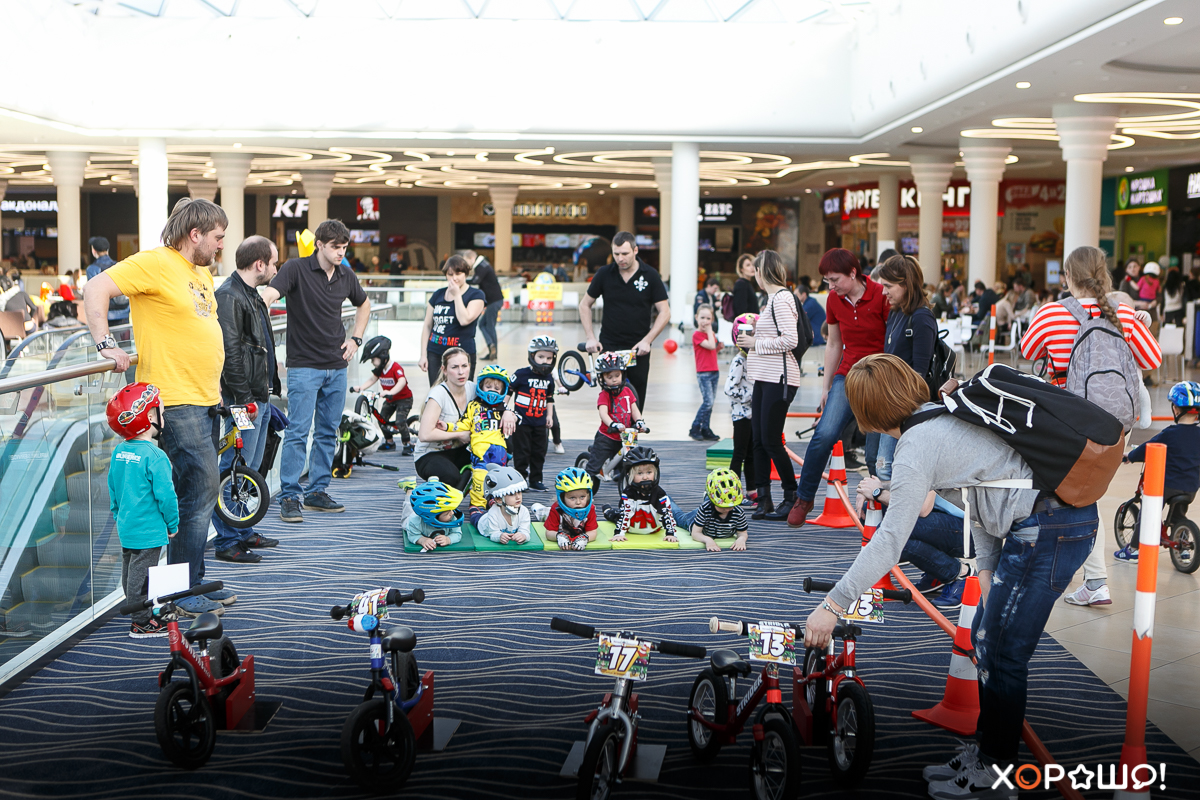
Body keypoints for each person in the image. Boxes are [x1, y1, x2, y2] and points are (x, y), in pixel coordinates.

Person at [801, 354, 1098, 800]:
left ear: (868, 412)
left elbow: (889, 540)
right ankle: (988, 754)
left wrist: (832, 605)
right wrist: (988, 568)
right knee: (986, 640)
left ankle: (997, 776)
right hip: (1047, 524)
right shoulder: (946, 413)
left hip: (1049, 529)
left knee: (1003, 653)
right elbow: (987, 491)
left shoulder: (917, 444)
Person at [83, 197, 231, 617]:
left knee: (198, 495)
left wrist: (215, 386)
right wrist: (106, 343)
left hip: (204, 398)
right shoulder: (155, 262)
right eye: (218, 237)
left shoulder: (200, 272)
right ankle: (180, 591)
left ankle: (191, 581)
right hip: (175, 400)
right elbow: (95, 288)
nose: (222, 245)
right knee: (197, 494)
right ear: (195, 234)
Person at [1021, 245, 1161, 608]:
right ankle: (1094, 580)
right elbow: (1152, 359)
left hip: (1067, 421)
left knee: (1074, 495)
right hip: (1115, 424)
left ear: (1067, 277)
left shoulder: (1051, 313)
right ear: (1104, 274)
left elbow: (1028, 351)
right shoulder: (1122, 313)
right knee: (1086, 494)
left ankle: (1090, 579)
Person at [259, 219, 370, 524]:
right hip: (304, 366)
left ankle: (317, 491)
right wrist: (263, 306)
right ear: (319, 244)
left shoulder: (346, 274)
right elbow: (270, 294)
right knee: (297, 431)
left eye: (344, 247)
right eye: (335, 247)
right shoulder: (296, 268)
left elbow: (364, 304)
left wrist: (356, 339)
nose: (341, 252)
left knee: (327, 432)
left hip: (337, 366)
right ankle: (290, 496)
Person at [785, 247, 888, 527]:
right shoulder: (834, 299)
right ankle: (804, 498)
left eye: (834, 280)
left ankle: (877, 508)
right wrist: (826, 386)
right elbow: (833, 343)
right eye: (827, 281)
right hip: (848, 374)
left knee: (875, 452)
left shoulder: (881, 295)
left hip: (879, 377)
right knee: (824, 434)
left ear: (853, 273)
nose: (830, 286)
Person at [210, 236, 282, 564]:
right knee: (234, 468)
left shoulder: (250, 293)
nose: (276, 269)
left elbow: (258, 347)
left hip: (257, 397)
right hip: (245, 400)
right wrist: (243, 399)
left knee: (248, 467)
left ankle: (242, 529)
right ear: (259, 264)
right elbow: (230, 353)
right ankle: (228, 539)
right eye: (273, 263)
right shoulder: (229, 295)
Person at [105, 383, 179, 637]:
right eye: (160, 412)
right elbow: (167, 497)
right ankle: (141, 622)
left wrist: (117, 514)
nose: (163, 416)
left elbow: (113, 487)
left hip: (126, 525)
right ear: (149, 417)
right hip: (149, 530)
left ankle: (140, 611)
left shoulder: (119, 452)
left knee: (130, 571)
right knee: (143, 575)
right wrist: (172, 524)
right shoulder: (155, 456)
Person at [736, 250, 801, 522]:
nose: (755, 275)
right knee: (759, 440)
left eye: (756, 270)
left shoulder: (782, 299)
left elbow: (790, 340)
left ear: (762, 272)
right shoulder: (771, 299)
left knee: (771, 441)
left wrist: (756, 343)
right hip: (764, 377)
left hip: (779, 378)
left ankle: (792, 496)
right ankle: (764, 499)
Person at [579, 231, 670, 410]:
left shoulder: (650, 275)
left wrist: (647, 341)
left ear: (635, 250)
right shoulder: (605, 274)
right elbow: (584, 305)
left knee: (636, 398)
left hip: (638, 349)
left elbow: (665, 312)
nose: (620, 258)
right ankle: (611, 428)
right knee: (610, 398)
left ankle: (633, 428)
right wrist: (590, 337)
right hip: (610, 344)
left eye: (625, 254)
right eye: (616, 254)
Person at [1119, 381, 1200, 558]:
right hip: (1191, 487)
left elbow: (1147, 448)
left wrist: (1130, 456)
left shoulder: (1169, 434)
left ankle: (1133, 550)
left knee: (1148, 513)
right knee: (1179, 516)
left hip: (1167, 486)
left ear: (1176, 410)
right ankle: (1184, 549)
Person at [874, 254, 936, 479]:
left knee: (887, 468)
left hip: (904, 406)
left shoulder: (921, 318)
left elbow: (920, 373)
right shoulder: (896, 313)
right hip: (889, 401)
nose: (884, 292)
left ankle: (892, 502)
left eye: (888, 286)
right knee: (880, 464)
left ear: (906, 284)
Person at [449, 365, 512, 510]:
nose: (492, 390)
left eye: (497, 388)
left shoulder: (504, 408)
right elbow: (463, 424)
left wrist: (510, 413)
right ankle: (477, 505)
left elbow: (516, 421)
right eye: (488, 386)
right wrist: (447, 427)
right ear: (481, 386)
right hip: (480, 448)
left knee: (499, 478)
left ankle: (495, 503)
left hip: (500, 450)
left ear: (503, 390)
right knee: (479, 476)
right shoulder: (473, 405)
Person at [584, 352, 647, 492]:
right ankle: (584, 487)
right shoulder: (604, 395)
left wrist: (639, 421)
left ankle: (625, 480)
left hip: (624, 436)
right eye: (609, 377)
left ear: (622, 374)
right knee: (594, 465)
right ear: (602, 378)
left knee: (630, 458)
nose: (614, 380)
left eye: (617, 376)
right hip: (607, 435)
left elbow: (634, 409)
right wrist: (612, 424)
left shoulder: (628, 391)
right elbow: (603, 413)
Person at [418, 255, 486, 384]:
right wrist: (423, 355)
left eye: (458, 273)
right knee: (436, 390)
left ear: (466, 274)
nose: (454, 278)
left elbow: (464, 320)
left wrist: (457, 295)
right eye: (450, 274)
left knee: (461, 391)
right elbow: (427, 325)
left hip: (461, 354)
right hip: (436, 352)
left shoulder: (476, 295)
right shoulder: (438, 294)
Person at [510, 335, 558, 491]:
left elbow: (549, 398)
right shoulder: (521, 374)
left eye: (549, 358)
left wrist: (549, 416)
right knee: (522, 452)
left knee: (539, 452)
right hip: (522, 421)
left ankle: (536, 479)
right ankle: (520, 478)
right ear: (532, 356)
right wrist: (504, 411)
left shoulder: (549, 378)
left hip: (540, 422)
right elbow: (508, 391)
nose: (545, 361)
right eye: (541, 357)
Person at [353, 335, 414, 454]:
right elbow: (372, 379)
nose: (372, 362)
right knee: (381, 420)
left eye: (373, 359)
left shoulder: (395, 367)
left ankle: (407, 443)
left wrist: (390, 392)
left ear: (382, 356)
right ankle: (389, 442)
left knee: (400, 421)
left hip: (404, 399)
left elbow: (402, 381)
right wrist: (361, 387)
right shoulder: (380, 369)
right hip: (390, 400)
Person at [605, 446, 678, 543]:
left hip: (654, 529)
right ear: (630, 475)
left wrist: (671, 534)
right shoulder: (628, 493)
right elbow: (625, 514)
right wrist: (619, 533)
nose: (645, 477)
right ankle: (608, 511)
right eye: (639, 473)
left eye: (649, 472)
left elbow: (667, 514)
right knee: (617, 516)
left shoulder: (659, 493)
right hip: (631, 528)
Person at [724, 312, 757, 500]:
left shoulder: (753, 358)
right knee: (739, 454)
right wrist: (749, 396)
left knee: (751, 454)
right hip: (741, 415)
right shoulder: (739, 360)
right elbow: (729, 388)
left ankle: (752, 490)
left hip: (753, 414)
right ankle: (733, 491)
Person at [685, 468, 749, 552]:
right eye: (722, 507)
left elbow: (742, 533)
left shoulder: (739, 512)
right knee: (677, 515)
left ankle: (707, 497)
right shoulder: (704, 509)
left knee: (708, 504)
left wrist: (741, 539)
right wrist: (707, 539)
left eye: (730, 506)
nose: (727, 510)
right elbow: (695, 533)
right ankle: (668, 500)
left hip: (710, 510)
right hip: (694, 519)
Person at [689, 304, 722, 442]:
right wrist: (710, 332)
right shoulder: (697, 335)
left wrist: (718, 347)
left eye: (708, 318)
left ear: (712, 319)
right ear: (696, 318)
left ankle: (706, 428)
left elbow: (712, 350)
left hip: (714, 371)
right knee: (708, 402)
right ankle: (695, 427)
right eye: (702, 318)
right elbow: (710, 345)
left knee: (711, 403)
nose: (705, 321)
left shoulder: (710, 334)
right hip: (704, 373)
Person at [464, 249, 504, 361]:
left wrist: (462, 283)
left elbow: (476, 280)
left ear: (472, 258)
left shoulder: (481, 266)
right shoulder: (483, 264)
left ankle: (492, 348)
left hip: (494, 301)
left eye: (467, 261)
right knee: (484, 324)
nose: (467, 265)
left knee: (487, 325)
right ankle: (492, 350)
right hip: (495, 300)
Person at [545, 467, 598, 551]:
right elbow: (549, 533)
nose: (578, 502)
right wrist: (559, 536)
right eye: (572, 498)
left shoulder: (590, 508)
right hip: (551, 514)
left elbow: (593, 532)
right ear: (562, 497)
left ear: (588, 495)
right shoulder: (555, 508)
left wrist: (585, 538)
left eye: (582, 497)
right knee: (543, 514)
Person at [475, 465, 531, 545]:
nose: (518, 497)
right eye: (511, 494)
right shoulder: (493, 513)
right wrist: (499, 536)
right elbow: (493, 534)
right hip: (482, 522)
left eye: (519, 492)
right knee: (475, 515)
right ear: (499, 499)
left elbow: (525, 531)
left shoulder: (524, 511)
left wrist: (523, 536)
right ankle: (474, 509)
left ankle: (491, 502)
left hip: (499, 507)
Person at [404, 480, 464, 552]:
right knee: (407, 513)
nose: (452, 513)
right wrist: (422, 540)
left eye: (452, 510)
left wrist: (448, 539)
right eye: (446, 514)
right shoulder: (414, 521)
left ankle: (433, 483)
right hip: (412, 518)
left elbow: (457, 534)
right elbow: (412, 535)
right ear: (432, 517)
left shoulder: (452, 517)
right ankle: (409, 489)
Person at [85, 236, 128, 327]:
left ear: (94, 251)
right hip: (124, 312)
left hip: (106, 315)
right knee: (124, 336)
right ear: (108, 250)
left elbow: (94, 294)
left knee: (106, 337)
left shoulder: (92, 269)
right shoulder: (119, 265)